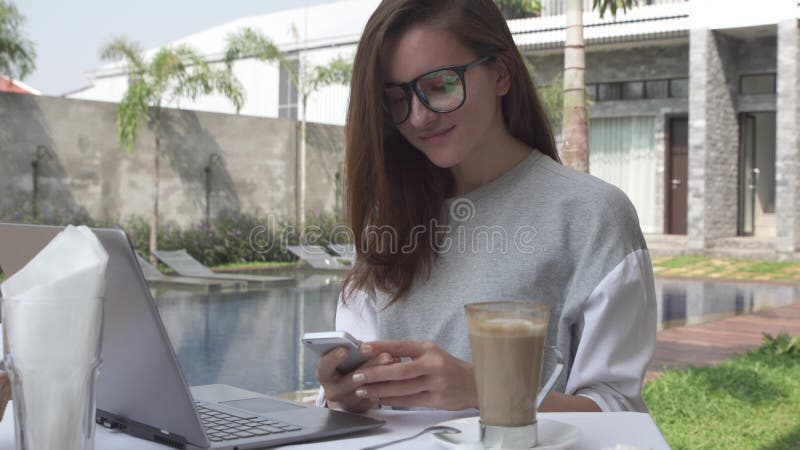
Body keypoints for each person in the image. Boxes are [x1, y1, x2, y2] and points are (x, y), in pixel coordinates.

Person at [315, 0, 656, 414]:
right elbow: (351, 402)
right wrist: (344, 396)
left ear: (501, 73)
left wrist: (487, 390)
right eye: (396, 99)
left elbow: (618, 415)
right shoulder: (387, 221)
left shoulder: (591, 215)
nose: (419, 117)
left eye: (440, 85)